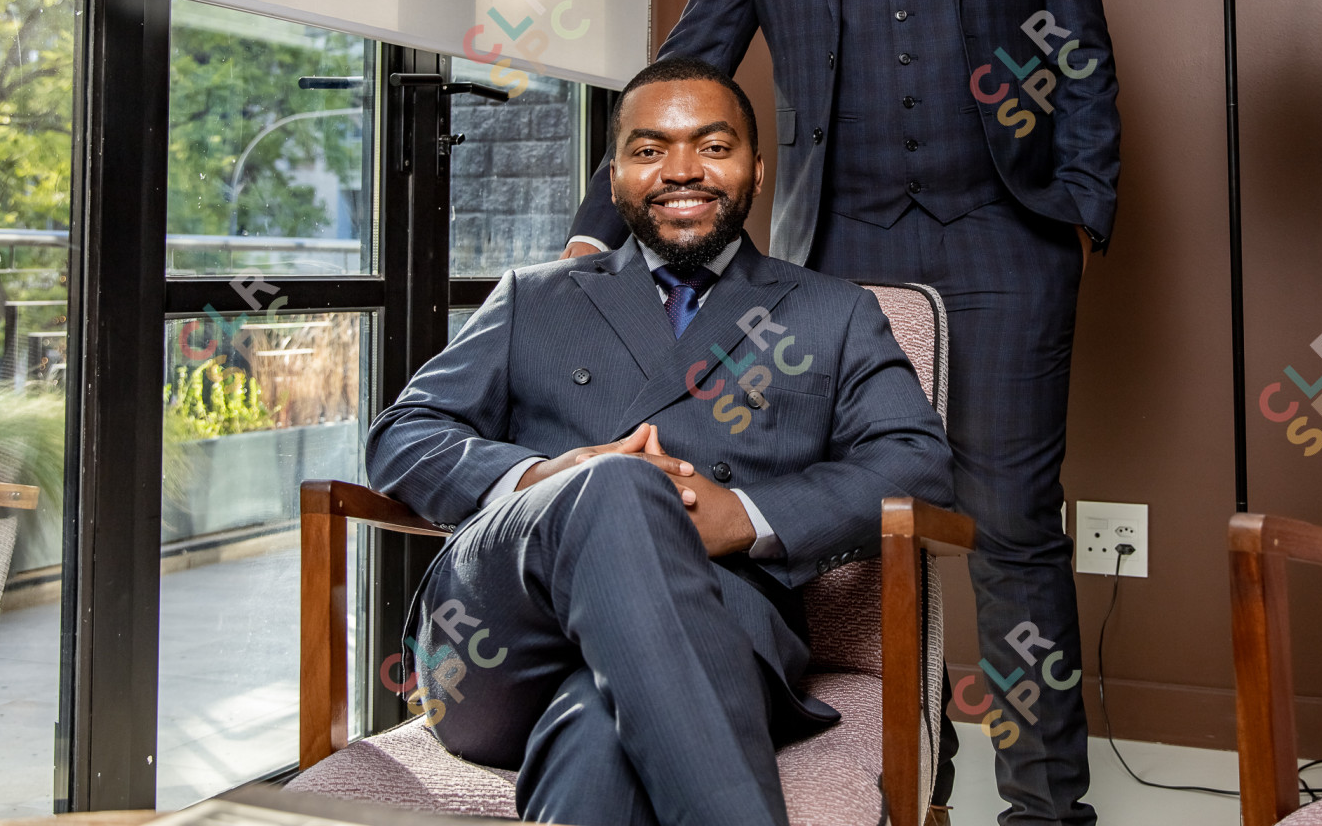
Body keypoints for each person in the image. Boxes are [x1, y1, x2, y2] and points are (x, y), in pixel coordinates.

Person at [563, 0, 1120, 825]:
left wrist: (1081, 205)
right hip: (835, 253)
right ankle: (877, 781)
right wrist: (585, 220)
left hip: (1003, 239)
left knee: (1015, 527)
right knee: (838, 530)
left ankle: (1044, 807)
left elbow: (1080, 37)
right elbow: (694, 55)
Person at [369, 57, 954, 826]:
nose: (683, 171)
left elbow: (919, 461)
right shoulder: (533, 296)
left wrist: (744, 514)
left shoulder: (831, 313)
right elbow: (403, 436)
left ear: (755, 169)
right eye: (649, 150)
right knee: (613, 485)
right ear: (614, 180)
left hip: (719, 625)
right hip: (499, 646)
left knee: (601, 734)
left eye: (713, 147)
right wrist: (552, 477)